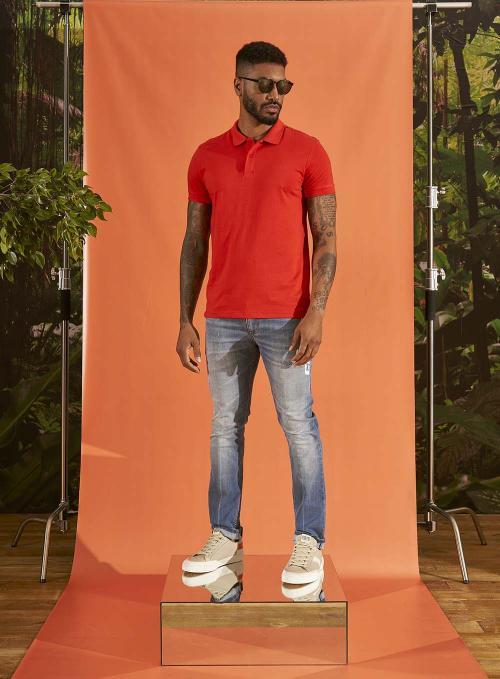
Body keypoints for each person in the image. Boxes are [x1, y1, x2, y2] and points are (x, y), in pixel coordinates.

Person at [177, 40, 337, 585]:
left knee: (298, 425)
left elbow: (326, 238)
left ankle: (309, 542)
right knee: (225, 427)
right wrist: (185, 319)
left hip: (287, 318)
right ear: (238, 85)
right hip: (223, 318)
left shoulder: (308, 151)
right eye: (265, 85)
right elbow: (194, 241)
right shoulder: (207, 156)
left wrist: (316, 312)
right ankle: (225, 534)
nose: (275, 95)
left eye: (283, 86)